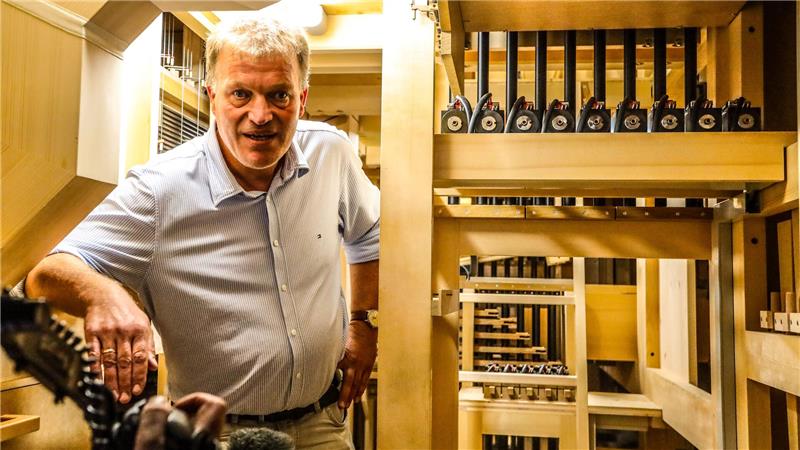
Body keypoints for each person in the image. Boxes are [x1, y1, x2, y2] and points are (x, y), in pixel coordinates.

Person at [23, 15, 379, 450]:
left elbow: (370, 234)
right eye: (240, 94)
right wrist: (106, 295)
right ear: (213, 96)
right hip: (216, 434)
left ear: (302, 99)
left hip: (323, 424)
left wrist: (362, 323)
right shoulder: (159, 189)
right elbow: (44, 274)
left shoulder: (332, 154)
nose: (260, 115)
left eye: (279, 95)